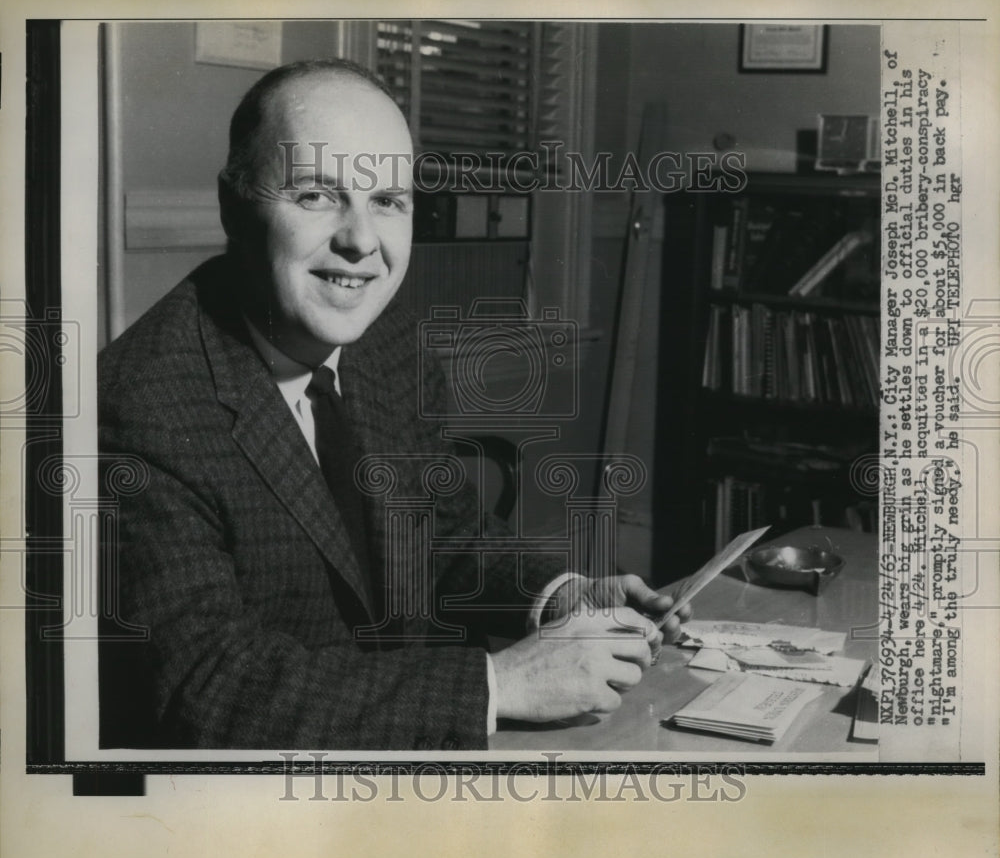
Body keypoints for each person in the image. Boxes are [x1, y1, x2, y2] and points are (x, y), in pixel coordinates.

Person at [98, 58, 689, 750]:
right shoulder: (142, 406)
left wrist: (561, 594)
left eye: (388, 201)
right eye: (317, 195)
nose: (361, 241)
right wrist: (501, 685)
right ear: (233, 206)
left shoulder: (390, 345)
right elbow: (208, 687)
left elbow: (441, 531)